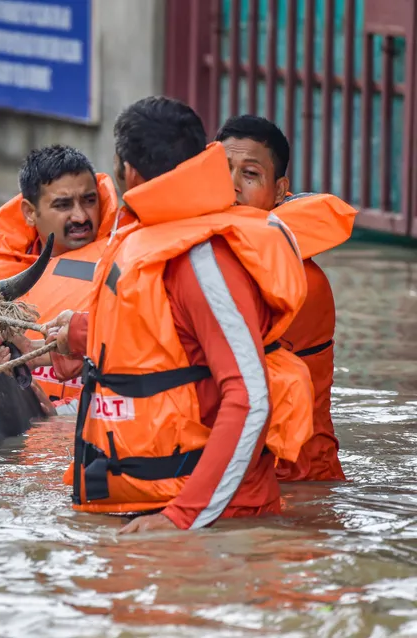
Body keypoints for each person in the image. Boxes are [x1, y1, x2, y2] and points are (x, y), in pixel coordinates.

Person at [43, 96, 315, 534]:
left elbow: (249, 399)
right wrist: (81, 334)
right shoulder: (148, 239)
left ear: (126, 171)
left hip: (213, 524)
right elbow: (163, 342)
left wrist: (182, 518)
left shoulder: (204, 258)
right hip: (144, 507)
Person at [215, 114, 356, 482]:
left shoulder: (300, 281)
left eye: (249, 175)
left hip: (299, 482)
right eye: (222, 170)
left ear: (279, 192)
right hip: (252, 471)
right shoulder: (214, 256)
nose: (231, 187)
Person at [0, 145, 131, 407]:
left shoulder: (128, 261)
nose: (80, 216)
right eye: (63, 205)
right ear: (30, 213)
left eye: (89, 200)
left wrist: (60, 417)